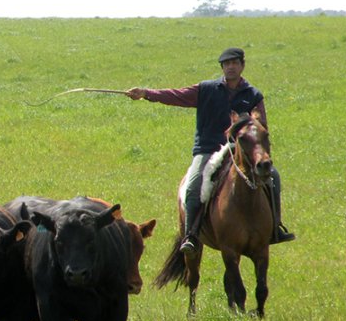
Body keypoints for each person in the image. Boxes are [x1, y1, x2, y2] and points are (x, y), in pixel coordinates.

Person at [126, 47, 295, 253]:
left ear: (242, 65)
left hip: (240, 150)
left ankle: (275, 228)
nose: (230, 67)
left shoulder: (253, 94)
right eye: (226, 64)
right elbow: (176, 95)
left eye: (235, 63)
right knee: (193, 185)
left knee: (273, 177)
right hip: (208, 149)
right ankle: (191, 235)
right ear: (222, 68)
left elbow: (261, 124)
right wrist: (146, 93)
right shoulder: (206, 89)